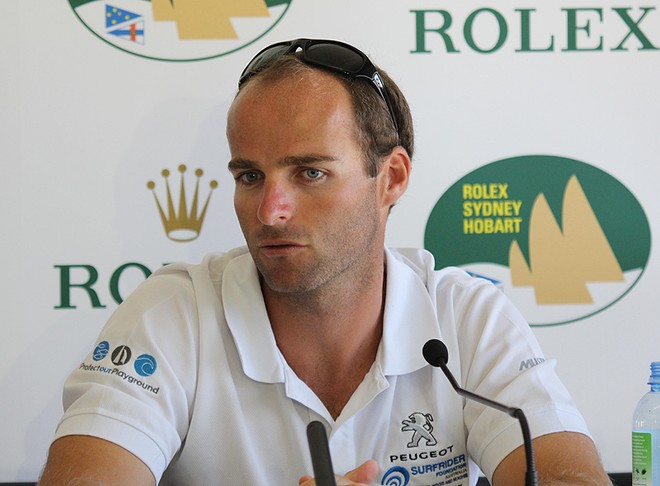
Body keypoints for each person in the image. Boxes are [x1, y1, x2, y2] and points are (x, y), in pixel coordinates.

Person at [39, 38, 611, 486]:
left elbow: (567, 476)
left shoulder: (466, 317)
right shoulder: (173, 314)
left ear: (391, 178)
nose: (270, 209)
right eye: (249, 176)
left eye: (309, 172)